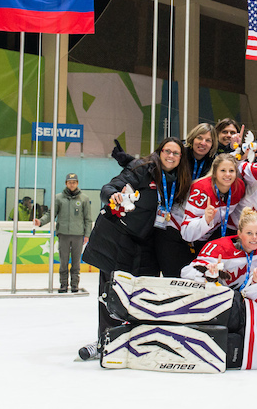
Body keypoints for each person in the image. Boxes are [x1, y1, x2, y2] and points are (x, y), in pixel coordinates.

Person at [81, 137, 191, 358]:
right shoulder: (142, 169)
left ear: (181, 158)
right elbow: (109, 187)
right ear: (159, 152)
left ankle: (135, 340)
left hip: (148, 243)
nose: (170, 156)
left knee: (141, 295)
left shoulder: (177, 180)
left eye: (176, 153)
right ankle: (106, 341)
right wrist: (114, 195)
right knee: (111, 292)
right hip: (120, 239)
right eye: (167, 151)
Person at [181, 207, 257, 290]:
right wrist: (207, 273)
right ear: (239, 234)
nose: (254, 237)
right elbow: (186, 272)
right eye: (249, 233)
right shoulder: (219, 248)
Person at [34, 173, 92, 293]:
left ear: (77, 183)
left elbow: (87, 218)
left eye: (74, 182)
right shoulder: (58, 198)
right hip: (63, 234)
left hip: (78, 234)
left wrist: (87, 234)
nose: (72, 184)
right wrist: (40, 222)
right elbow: (51, 214)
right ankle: (63, 285)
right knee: (63, 262)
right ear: (66, 183)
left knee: (76, 262)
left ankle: (75, 285)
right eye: (70, 182)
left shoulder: (84, 199)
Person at [180, 154, 247, 246]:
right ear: (215, 173)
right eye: (223, 170)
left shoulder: (238, 186)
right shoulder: (201, 189)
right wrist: (205, 220)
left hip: (211, 235)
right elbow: (186, 232)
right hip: (182, 236)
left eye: (231, 170)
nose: (227, 174)